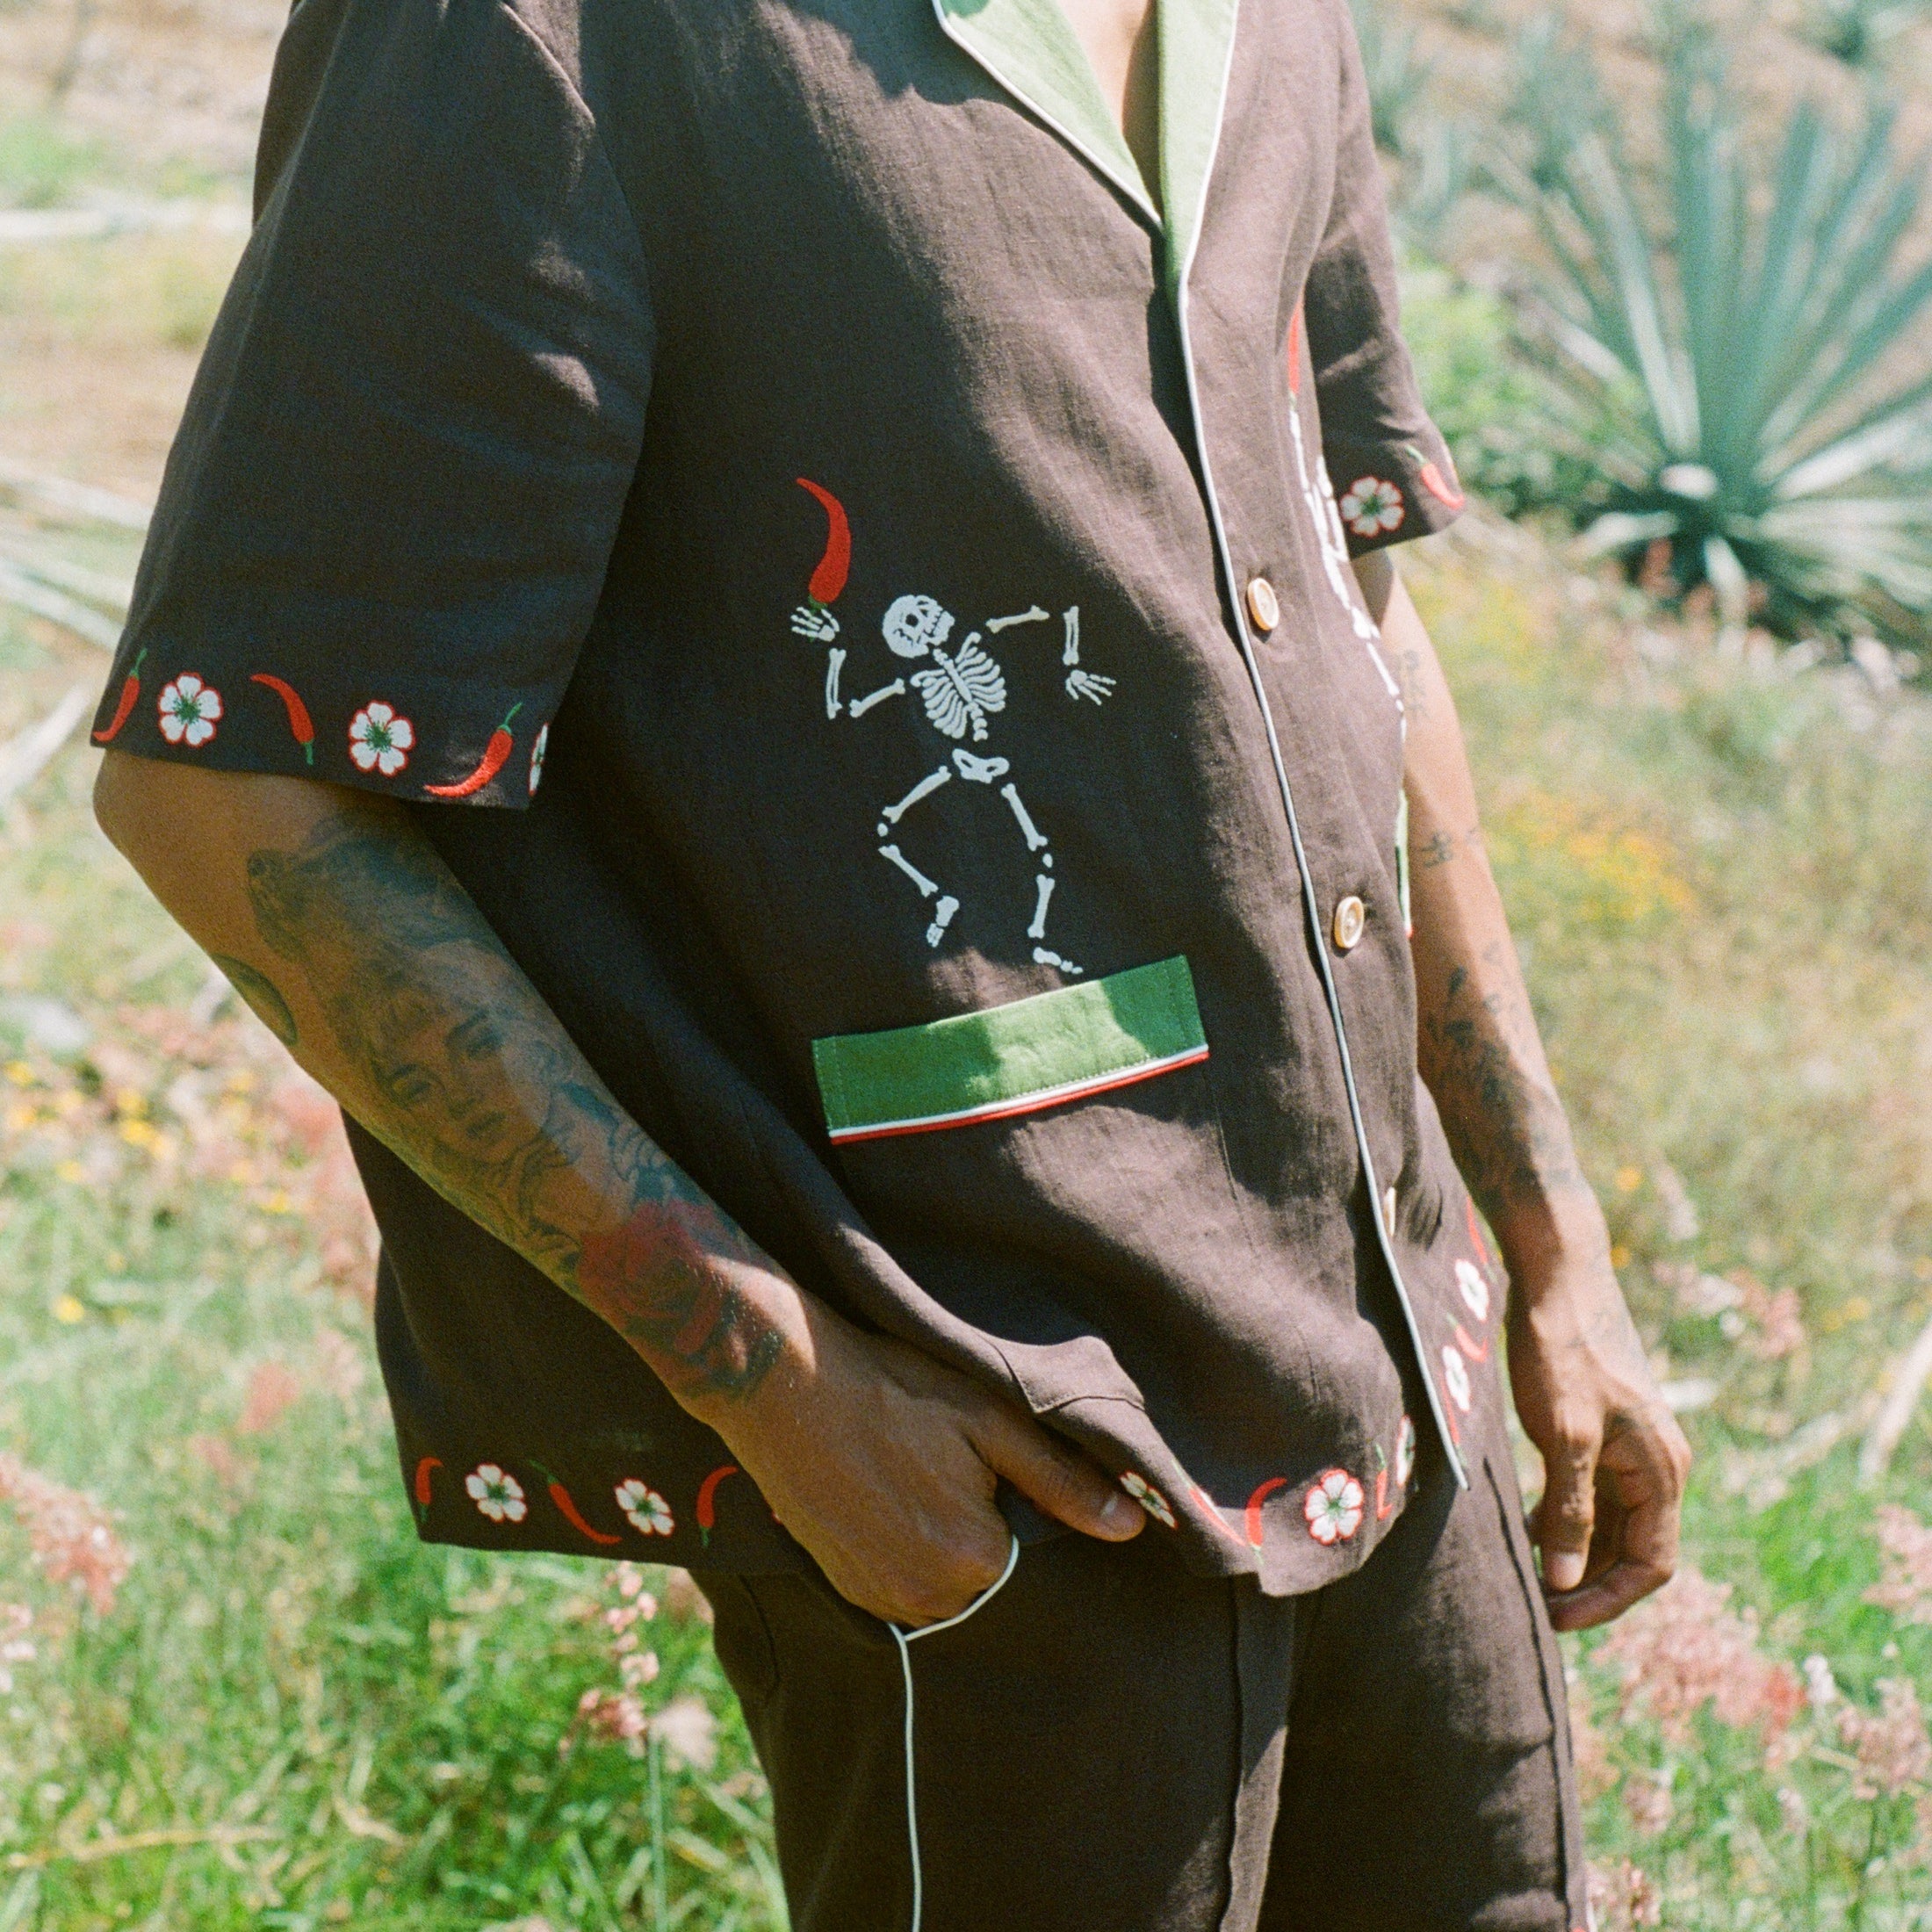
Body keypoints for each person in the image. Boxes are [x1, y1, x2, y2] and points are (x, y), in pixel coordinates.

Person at [90, 0, 1690, 1920]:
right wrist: (780, 1386)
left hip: (1413, 1386)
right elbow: (234, 790)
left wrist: (1554, 1250)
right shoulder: (546, 33)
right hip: (994, 1452)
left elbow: (1356, 611)